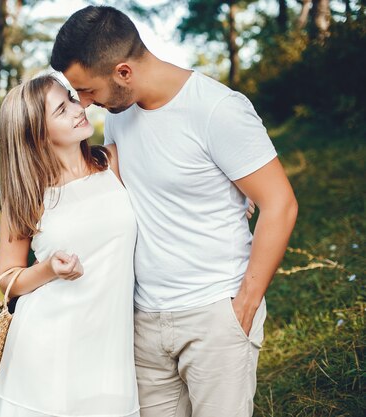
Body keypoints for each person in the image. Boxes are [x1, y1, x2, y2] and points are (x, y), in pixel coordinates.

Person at [50, 6, 298, 417]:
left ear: (123, 72)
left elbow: (281, 204)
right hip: (143, 321)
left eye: (89, 91)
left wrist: (245, 306)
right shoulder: (119, 115)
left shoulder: (217, 109)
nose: (86, 104)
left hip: (215, 314)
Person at [0, 74, 141, 416]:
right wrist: (48, 268)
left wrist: (230, 196)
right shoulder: (27, 195)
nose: (78, 109)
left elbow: (176, 180)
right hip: (46, 349)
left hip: (110, 348)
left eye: (72, 99)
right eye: (62, 109)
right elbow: (7, 281)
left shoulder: (113, 162)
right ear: (38, 134)